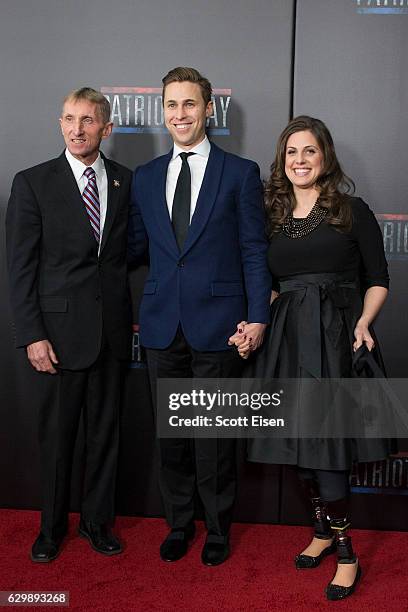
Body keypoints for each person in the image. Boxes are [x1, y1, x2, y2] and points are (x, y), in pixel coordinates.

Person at [230, 116, 390, 600]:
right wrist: (255, 320)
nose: (299, 160)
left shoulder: (350, 210)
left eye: (309, 152)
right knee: (298, 446)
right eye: (291, 152)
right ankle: (321, 531)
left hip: (337, 338)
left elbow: (378, 277)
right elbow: (271, 286)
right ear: (282, 160)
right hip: (286, 341)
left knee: (329, 448)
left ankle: (346, 554)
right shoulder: (270, 214)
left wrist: (364, 323)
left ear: (325, 158)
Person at [128, 67, 271, 566]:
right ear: (162, 110)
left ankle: (216, 528)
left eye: (190, 104)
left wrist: (258, 317)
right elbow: (135, 249)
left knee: (213, 437)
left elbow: (254, 249)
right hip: (163, 324)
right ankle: (179, 523)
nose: (180, 114)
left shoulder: (240, 172)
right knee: (172, 436)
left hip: (220, 324)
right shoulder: (145, 178)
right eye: (171, 105)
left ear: (208, 109)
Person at [6, 88, 132, 562]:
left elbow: (128, 255)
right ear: (60, 123)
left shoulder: (125, 182)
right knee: (58, 441)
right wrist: (32, 334)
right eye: (68, 119)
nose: (76, 129)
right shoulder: (33, 182)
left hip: (112, 334)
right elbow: (20, 268)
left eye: (87, 120)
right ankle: (51, 528)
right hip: (56, 338)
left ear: (106, 127)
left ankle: (97, 524)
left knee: (105, 437)